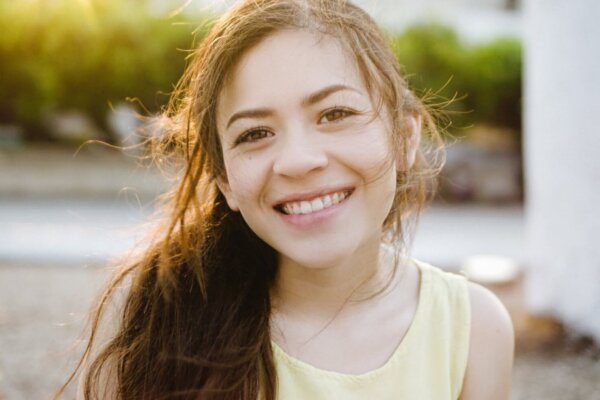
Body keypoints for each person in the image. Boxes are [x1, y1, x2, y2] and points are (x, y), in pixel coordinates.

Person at [58, 0, 514, 398]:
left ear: (404, 138)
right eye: (255, 133)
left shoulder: (474, 330)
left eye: (335, 113)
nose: (297, 161)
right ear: (224, 180)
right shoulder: (152, 317)